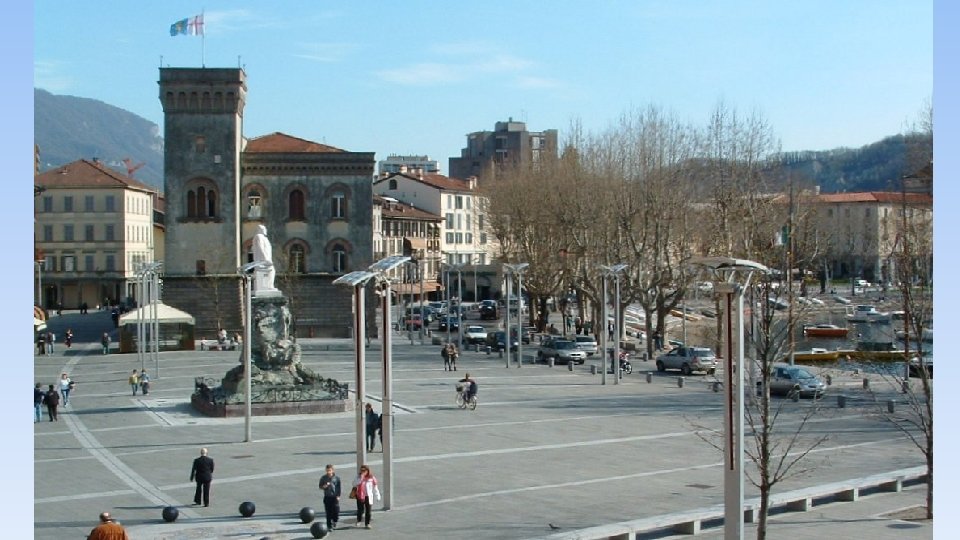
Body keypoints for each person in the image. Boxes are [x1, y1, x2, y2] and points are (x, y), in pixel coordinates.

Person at [352, 464, 380, 529]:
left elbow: (375, 487)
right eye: (362, 470)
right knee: (360, 510)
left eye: (364, 470)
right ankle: (359, 520)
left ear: (367, 471)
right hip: (360, 496)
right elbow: (353, 484)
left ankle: (367, 523)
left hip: (368, 496)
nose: (363, 472)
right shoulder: (358, 477)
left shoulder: (371, 478)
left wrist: (377, 495)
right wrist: (360, 479)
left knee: (368, 511)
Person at [251, 224, 277, 292]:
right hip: (262, 260)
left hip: (265, 259)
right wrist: (266, 258)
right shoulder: (259, 236)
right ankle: (269, 286)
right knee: (271, 270)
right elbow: (260, 248)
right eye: (264, 229)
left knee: (272, 271)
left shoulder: (264, 238)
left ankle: (269, 286)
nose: (266, 230)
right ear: (260, 230)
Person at [318, 464, 341, 530]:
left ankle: (335, 520)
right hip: (327, 496)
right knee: (328, 512)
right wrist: (324, 486)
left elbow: (338, 488)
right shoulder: (323, 478)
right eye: (327, 470)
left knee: (336, 510)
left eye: (330, 470)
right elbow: (320, 486)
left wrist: (338, 495)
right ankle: (329, 525)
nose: (328, 472)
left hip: (334, 497)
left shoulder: (337, 478)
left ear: (333, 471)